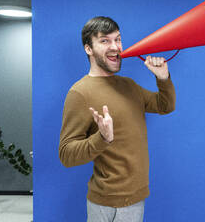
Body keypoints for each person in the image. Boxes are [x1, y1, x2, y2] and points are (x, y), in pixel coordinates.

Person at [59, 16, 176, 222]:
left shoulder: (129, 85)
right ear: (89, 49)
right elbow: (66, 155)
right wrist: (102, 139)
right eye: (105, 41)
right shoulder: (79, 93)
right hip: (106, 203)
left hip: (137, 197)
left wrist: (162, 78)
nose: (115, 47)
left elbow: (164, 106)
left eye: (118, 39)